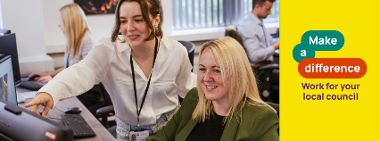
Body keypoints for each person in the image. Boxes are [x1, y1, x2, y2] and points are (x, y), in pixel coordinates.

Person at [25, 0, 196, 140]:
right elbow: (82, 71)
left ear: (156, 19)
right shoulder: (109, 50)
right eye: (123, 21)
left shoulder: (176, 52)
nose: (129, 28)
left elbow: (188, 86)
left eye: (138, 20)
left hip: (169, 130)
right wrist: (49, 92)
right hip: (128, 134)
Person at [146, 37, 279, 141]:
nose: (206, 78)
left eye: (216, 70)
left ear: (237, 74)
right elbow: (159, 139)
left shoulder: (261, 117)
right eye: (203, 69)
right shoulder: (194, 99)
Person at [28, 3, 102, 113]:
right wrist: (49, 74)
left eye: (60, 20)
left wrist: (57, 83)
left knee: (56, 108)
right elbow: (69, 67)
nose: (58, 25)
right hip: (77, 88)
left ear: (69, 21)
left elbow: (84, 75)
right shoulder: (73, 40)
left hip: (88, 92)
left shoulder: (87, 41)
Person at [237, 0, 279, 68]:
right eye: (267, 9)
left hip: (266, 64)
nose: (270, 12)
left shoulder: (258, 22)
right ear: (257, 7)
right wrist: (275, 47)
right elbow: (254, 56)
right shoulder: (248, 27)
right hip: (260, 70)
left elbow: (269, 42)